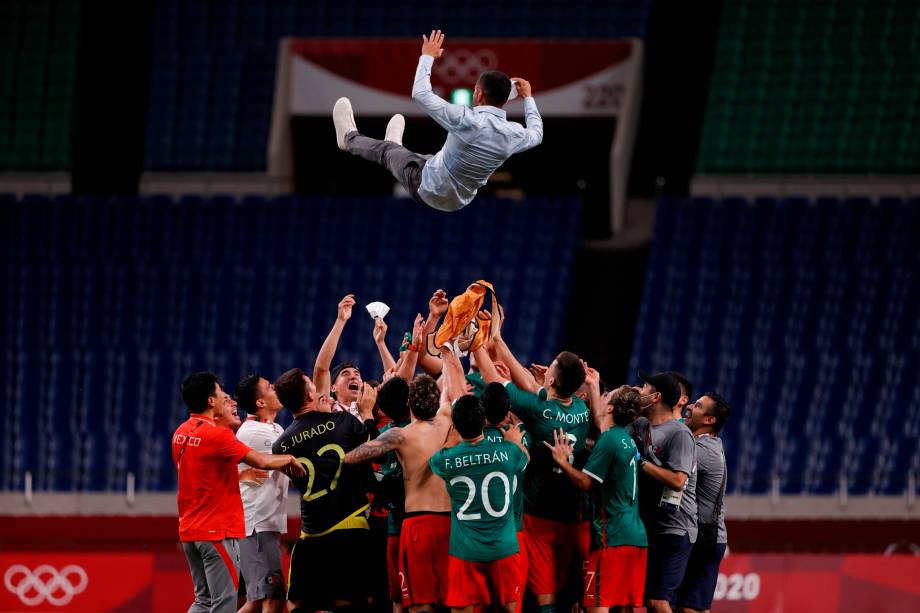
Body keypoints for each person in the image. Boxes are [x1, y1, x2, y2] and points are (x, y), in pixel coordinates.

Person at [333, 29, 543, 212]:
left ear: (478, 94)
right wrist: (529, 98)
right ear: (506, 100)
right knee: (430, 158)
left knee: (386, 153)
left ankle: (349, 138)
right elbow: (537, 134)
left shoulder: (466, 120)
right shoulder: (515, 134)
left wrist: (427, 56)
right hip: (459, 200)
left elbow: (420, 94)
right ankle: (397, 148)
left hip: (428, 189)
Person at [344, 348, 466, 613]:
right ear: (437, 400)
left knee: (420, 605)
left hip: (417, 526)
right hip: (449, 523)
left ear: (409, 404)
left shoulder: (401, 435)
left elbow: (357, 456)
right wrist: (448, 352)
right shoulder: (447, 419)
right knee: (452, 604)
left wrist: (344, 457)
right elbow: (454, 386)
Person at [475, 335, 591, 612]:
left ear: (551, 381)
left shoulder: (538, 411)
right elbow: (533, 388)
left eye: (551, 366)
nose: (545, 368)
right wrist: (498, 339)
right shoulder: (581, 410)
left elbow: (495, 381)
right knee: (566, 596)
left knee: (542, 598)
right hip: (569, 516)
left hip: (537, 517)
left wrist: (477, 344)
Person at [172, 372, 304, 613]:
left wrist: (239, 476)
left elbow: (201, 474)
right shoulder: (218, 435)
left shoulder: (181, 432)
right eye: (222, 395)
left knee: (204, 600)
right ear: (211, 401)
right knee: (225, 602)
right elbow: (261, 461)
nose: (228, 400)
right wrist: (290, 458)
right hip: (215, 531)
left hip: (189, 530)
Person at [272, 367, 378, 612]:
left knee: (297, 604)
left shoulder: (281, 445)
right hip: (349, 526)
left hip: (311, 536)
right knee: (349, 602)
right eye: (311, 383)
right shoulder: (343, 421)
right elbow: (376, 453)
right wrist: (367, 414)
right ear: (310, 395)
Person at [546, 385, 648, 613]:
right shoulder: (625, 439)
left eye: (605, 396)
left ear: (610, 407)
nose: (600, 399)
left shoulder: (609, 440)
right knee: (622, 608)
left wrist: (562, 461)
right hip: (634, 535)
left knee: (595, 606)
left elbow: (585, 482)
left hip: (612, 537)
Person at [430, 395, 530, 612]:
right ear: (484, 420)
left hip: (465, 552)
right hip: (503, 547)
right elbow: (525, 458)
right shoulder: (508, 452)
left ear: (455, 425)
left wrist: (452, 438)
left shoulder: (444, 459)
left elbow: (437, 458)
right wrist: (514, 441)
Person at [629, 371, 698, 613]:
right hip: (651, 524)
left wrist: (641, 463)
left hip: (675, 528)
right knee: (647, 599)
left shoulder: (679, 434)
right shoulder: (640, 425)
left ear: (656, 396)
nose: (640, 390)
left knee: (657, 601)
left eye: (645, 387)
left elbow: (679, 481)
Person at [233, 374, 290, 613]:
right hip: (257, 525)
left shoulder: (275, 427)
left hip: (267, 523)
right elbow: (275, 461)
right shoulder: (252, 432)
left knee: (259, 599)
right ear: (260, 403)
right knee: (269, 597)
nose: (275, 388)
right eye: (269, 387)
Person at [676, 393, 731, 613]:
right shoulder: (709, 444)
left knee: (690, 609)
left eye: (697, 406)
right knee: (689, 608)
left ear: (709, 420)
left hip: (705, 538)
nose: (689, 407)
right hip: (708, 536)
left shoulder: (701, 450)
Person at [481, 382, 531, 610]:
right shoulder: (520, 440)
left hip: (477, 535)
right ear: (508, 408)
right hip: (512, 533)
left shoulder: (470, 439)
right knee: (511, 607)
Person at [314, 294, 366, 416]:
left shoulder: (370, 412)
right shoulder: (327, 408)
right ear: (333, 388)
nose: (353, 377)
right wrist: (340, 321)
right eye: (345, 374)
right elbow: (321, 369)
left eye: (357, 374)